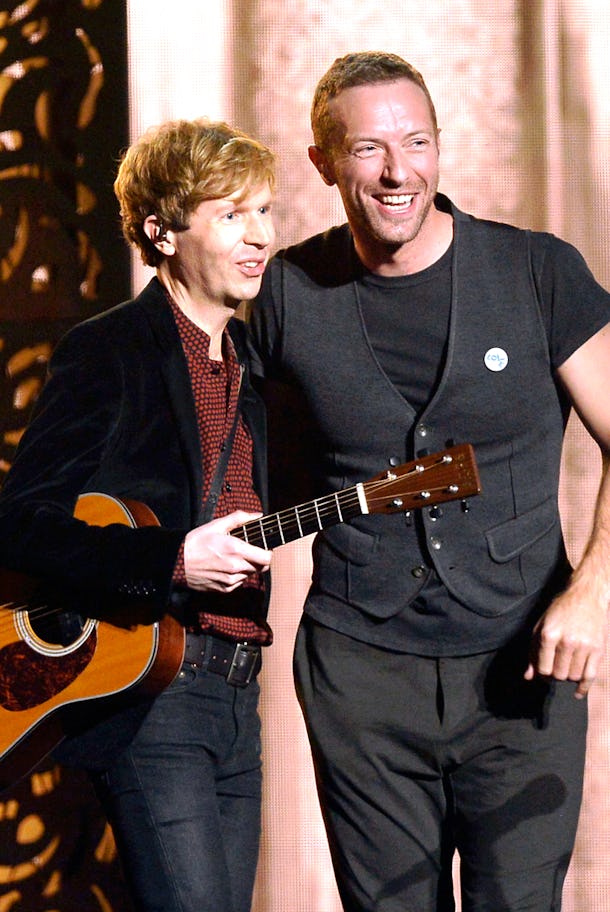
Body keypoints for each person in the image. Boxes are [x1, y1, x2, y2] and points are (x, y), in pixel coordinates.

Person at [250, 51, 610, 911]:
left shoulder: (537, 273)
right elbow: (237, 469)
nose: (397, 170)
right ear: (323, 163)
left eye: (416, 142)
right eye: (369, 149)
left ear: (440, 150)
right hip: (359, 677)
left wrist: (593, 591)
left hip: (523, 667)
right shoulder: (286, 294)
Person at [0, 117, 276, 912]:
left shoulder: (255, 371)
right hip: (156, 700)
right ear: (160, 230)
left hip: (238, 696)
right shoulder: (111, 351)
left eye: (263, 211)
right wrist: (171, 563)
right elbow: (21, 522)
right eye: (231, 214)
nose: (259, 236)